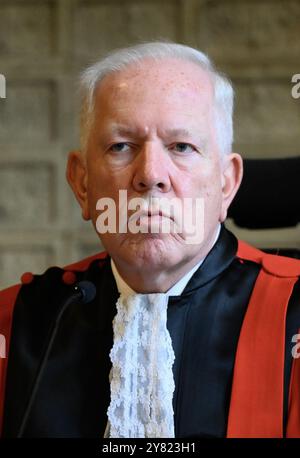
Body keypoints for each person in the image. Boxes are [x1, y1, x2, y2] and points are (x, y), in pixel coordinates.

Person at [0, 42, 299, 438]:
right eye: (121, 146)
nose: (151, 175)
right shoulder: (13, 320)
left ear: (226, 184)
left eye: (181, 147)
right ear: (83, 183)